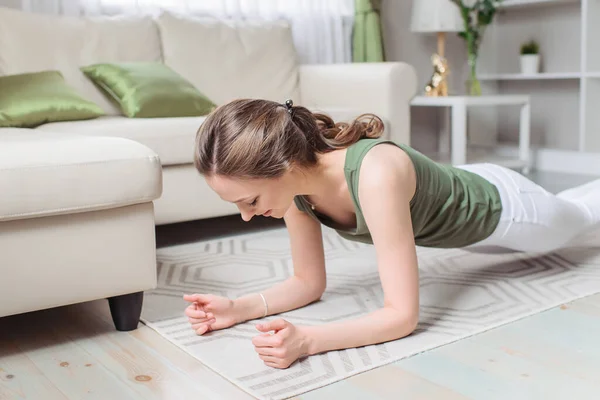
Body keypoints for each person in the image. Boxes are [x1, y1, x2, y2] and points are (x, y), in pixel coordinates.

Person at [183, 98, 600, 369]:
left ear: (283, 167)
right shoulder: (296, 188)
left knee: (583, 213)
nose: (245, 217)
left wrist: (308, 341)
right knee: (575, 201)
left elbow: (402, 316)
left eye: (250, 201)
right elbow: (308, 283)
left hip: (509, 211)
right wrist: (237, 308)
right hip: (463, 206)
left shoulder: (375, 175)